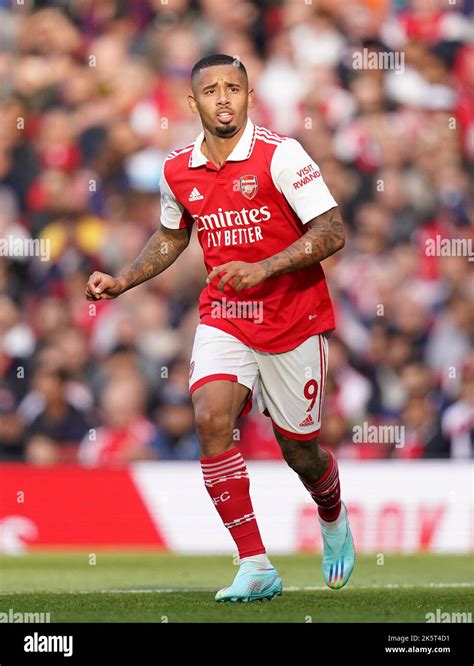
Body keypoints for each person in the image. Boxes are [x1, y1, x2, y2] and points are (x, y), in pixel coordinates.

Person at [85, 54, 354, 602]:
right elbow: (170, 236)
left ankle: (332, 513)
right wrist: (123, 280)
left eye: (234, 87)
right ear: (193, 102)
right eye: (211, 90)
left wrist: (266, 266)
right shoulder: (177, 168)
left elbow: (332, 231)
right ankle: (255, 563)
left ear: (250, 95)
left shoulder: (282, 156)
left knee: (299, 450)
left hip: (292, 319)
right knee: (210, 418)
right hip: (226, 314)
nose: (224, 97)